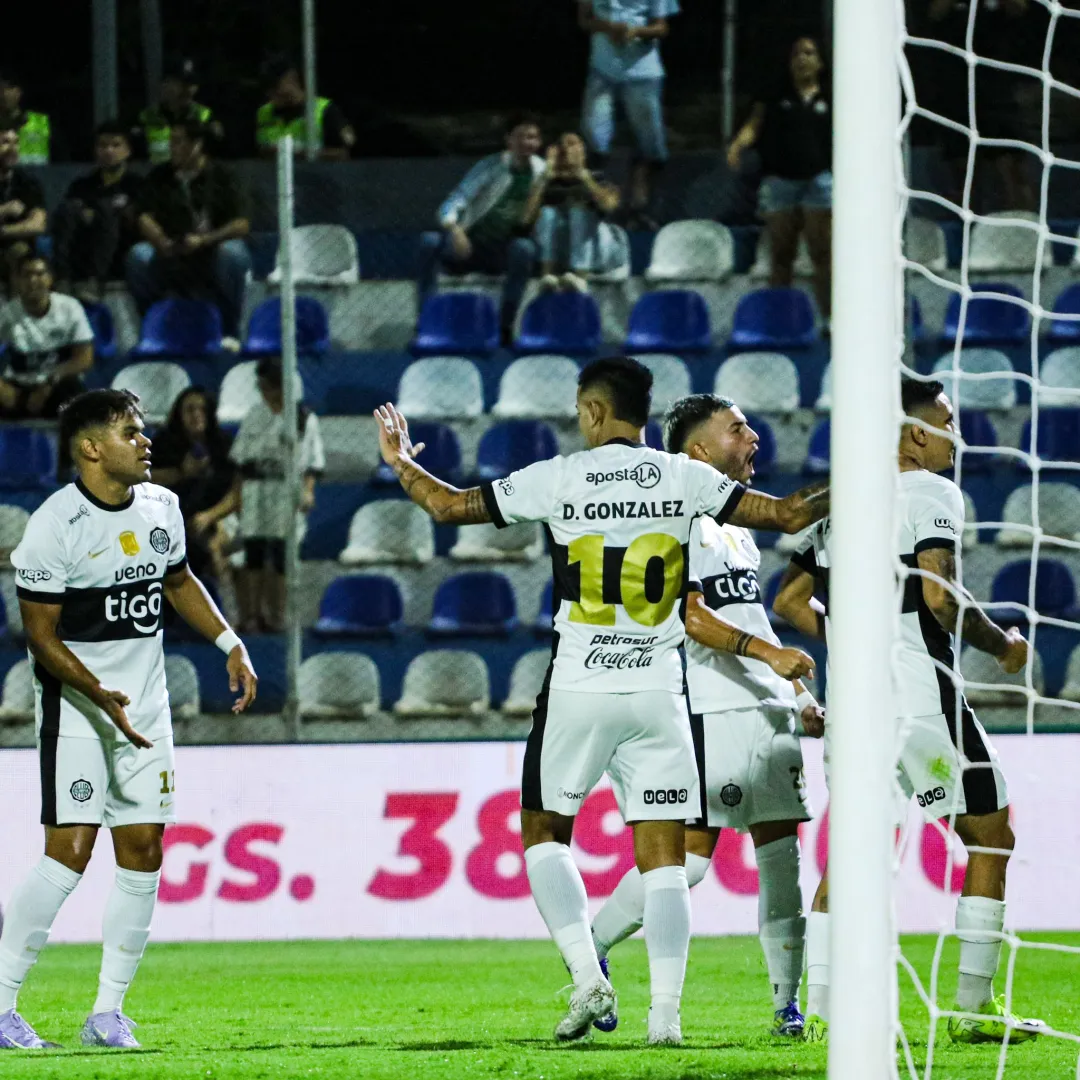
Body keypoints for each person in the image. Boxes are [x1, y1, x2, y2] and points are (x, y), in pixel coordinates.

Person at [375, 357, 830, 1045]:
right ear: (644, 411)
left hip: (580, 686)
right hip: (659, 692)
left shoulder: (557, 476)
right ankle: (666, 1022)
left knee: (542, 831)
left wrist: (402, 461)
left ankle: (589, 976)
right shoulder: (684, 477)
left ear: (591, 412)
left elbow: (447, 506)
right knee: (667, 859)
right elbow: (791, 512)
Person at [772, 378, 1044, 1045]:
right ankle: (973, 1011)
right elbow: (941, 597)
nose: (958, 433)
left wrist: (854, 639)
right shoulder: (930, 490)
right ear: (917, 434)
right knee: (990, 835)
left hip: (854, 704)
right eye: (948, 420)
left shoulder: (837, 506)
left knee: (853, 856)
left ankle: (828, 1018)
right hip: (918, 695)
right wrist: (1005, 644)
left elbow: (789, 603)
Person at [0, 388, 257, 1050]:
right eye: (130, 433)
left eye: (144, 431)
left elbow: (179, 584)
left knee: (144, 850)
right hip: (78, 709)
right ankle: (1, 1003)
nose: (146, 442)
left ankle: (107, 1015)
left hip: (146, 710)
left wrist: (231, 644)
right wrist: (99, 690)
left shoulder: (161, 508)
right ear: (91, 449)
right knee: (70, 854)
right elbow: (41, 638)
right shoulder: (53, 527)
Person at [587, 393, 825, 1039]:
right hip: (710, 708)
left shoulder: (737, 530)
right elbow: (688, 616)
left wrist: (798, 696)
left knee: (782, 862)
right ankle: (593, 942)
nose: (753, 435)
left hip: (767, 710)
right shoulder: (676, 516)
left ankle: (785, 1008)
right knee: (689, 864)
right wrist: (769, 653)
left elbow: (747, 615)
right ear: (697, 451)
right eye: (737, 428)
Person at [192, 359, 323, 634]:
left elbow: (311, 463)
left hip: (284, 488)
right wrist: (235, 496)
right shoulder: (255, 414)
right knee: (253, 554)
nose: (265, 392)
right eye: (261, 387)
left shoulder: (303, 419)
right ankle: (251, 615)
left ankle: (275, 616)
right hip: (255, 488)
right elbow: (240, 463)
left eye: (269, 387)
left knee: (278, 556)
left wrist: (308, 491)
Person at [727, 38, 832, 323]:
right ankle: (780, 320)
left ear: (820, 63)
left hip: (819, 181)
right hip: (780, 183)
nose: (802, 59)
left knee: (823, 255)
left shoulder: (834, 95)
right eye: (797, 53)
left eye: (809, 53)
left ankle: (830, 319)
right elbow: (754, 125)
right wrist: (737, 145)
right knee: (782, 254)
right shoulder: (774, 95)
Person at [418, 114, 545, 345]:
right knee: (428, 242)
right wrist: (455, 230)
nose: (527, 142)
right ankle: (425, 320)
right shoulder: (491, 166)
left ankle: (505, 326)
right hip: (468, 248)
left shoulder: (542, 172)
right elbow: (455, 200)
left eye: (533, 137)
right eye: (521, 136)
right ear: (509, 140)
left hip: (502, 252)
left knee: (524, 249)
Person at [126, 119, 252, 342]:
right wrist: (161, 241)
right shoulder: (160, 175)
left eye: (177, 142)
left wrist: (204, 240)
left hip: (211, 248)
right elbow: (143, 215)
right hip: (171, 249)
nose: (171, 148)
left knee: (233, 253)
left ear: (197, 145)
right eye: (171, 142)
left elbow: (241, 223)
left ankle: (229, 331)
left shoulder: (223, 176)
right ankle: (154, 327)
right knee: (139, 255)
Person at [577, 0, 678, 227]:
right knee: (595, 136)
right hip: (602, 70)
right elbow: (584, 20)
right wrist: (607, 27)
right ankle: (600, 205)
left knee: (650, 143)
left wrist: (635, 31)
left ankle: (642, 207)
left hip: (642, 71)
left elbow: (662, 27)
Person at [150, 387, 236, 591]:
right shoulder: (164, 442)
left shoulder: (223, 444)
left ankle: (220, 606)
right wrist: (181, 472)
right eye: (190, 410)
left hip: (220, 513)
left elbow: (236, 491)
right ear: (179, 414)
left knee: (213, 544)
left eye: (202, 410)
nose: (196, 415)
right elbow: (144, 480)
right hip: (174, 513)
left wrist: (211, 516)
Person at [524, 132, 627, 293]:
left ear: (583, 150)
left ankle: (581, 276)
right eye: (561, 145)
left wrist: (583, 176)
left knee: (579, 211)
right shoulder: (547, 182)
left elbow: (609, 205)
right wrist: (545, 175)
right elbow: (525, 220)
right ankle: (547, 275)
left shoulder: (597, 177)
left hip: (599, 252)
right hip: (564, 255)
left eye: (572, 144)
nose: (565, 149)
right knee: (548, 213)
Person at [51, 121, 143, 302]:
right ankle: (62, 278)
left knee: (107, 210)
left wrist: (101, 213)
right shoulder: (82, 185)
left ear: (128, 151)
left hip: (119, 251)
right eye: (103, 145)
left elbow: (137, 219)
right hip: (83, 249)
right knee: (68, 209)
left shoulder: (137, 185)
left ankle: (96, 280)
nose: (109, 151)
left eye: (115, 145)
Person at [0, 254, 93, 420]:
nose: (33, 280)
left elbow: (84, 358)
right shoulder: (6, 314)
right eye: (26, 275)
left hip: (56, 386)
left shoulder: (70, 308)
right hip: (19, 388)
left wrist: (50, 382)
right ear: (17, 281)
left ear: (50, 279)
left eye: (39, 274)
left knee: (74, 392)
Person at [255, 56, 355, 161]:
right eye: (268, 90)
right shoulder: (264, 113)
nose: (271, 95)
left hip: (319, 175)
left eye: (275, 87)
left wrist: (295, 154)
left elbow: (343, 153)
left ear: (291, 79)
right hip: (277, 176)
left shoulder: (324, 110)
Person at [133, 56, 223, 166]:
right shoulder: (145, 118)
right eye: (181, 83)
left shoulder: (205, 116)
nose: (188, 90)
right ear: (164, 84)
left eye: (192, 84)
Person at [0, 124, 46, 291]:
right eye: (5, 143)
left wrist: (4, 231)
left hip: (15, 250)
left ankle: (18, 313)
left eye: (16, 143)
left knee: (20, 251)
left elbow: (38, 225)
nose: (12, 149)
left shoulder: (27, 183)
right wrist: (4, 210)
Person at [0, 69, 50, 165]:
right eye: (1, 88)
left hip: (36, 178)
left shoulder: (40, 122)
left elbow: (62, 161)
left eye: (8, 88)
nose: (4, 94)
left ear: (19, 92)